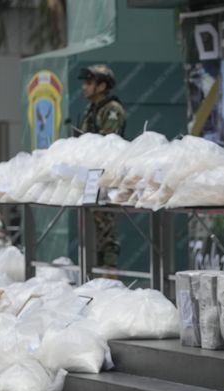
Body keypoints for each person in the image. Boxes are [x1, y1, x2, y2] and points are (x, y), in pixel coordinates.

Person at [78, 64, 127, 269]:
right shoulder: (91, 110)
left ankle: (109, 276)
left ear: (102, 86)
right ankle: (94, 279)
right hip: (91, 177)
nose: (84, 87)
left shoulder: (112, 110)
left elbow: (109, 144)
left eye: (89, 83)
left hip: (107, 177)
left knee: (106, 232)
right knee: (91, 233)